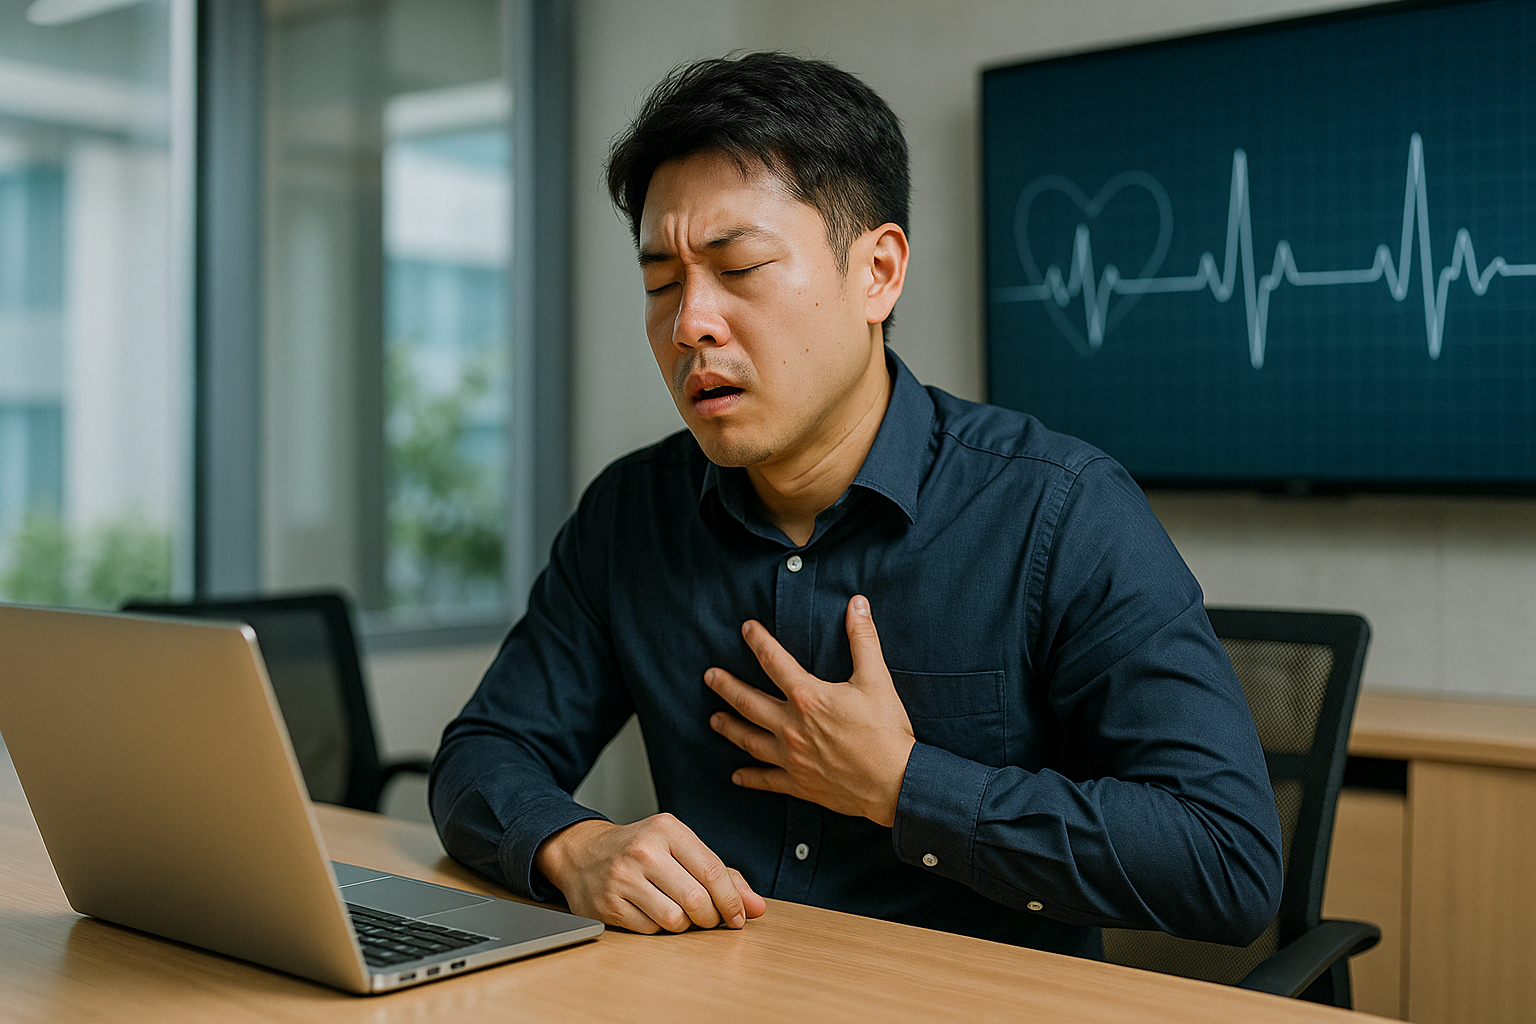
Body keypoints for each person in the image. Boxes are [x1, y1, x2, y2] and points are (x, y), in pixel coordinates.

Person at [429, 51, 1282, 958]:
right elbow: (482, 756)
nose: (690, 325)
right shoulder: (631, 513)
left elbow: (1226, 861)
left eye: (739, 267)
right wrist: (574, 846)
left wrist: (906, 785)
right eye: (661, 283)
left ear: (877, 272)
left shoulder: (1058, 509)